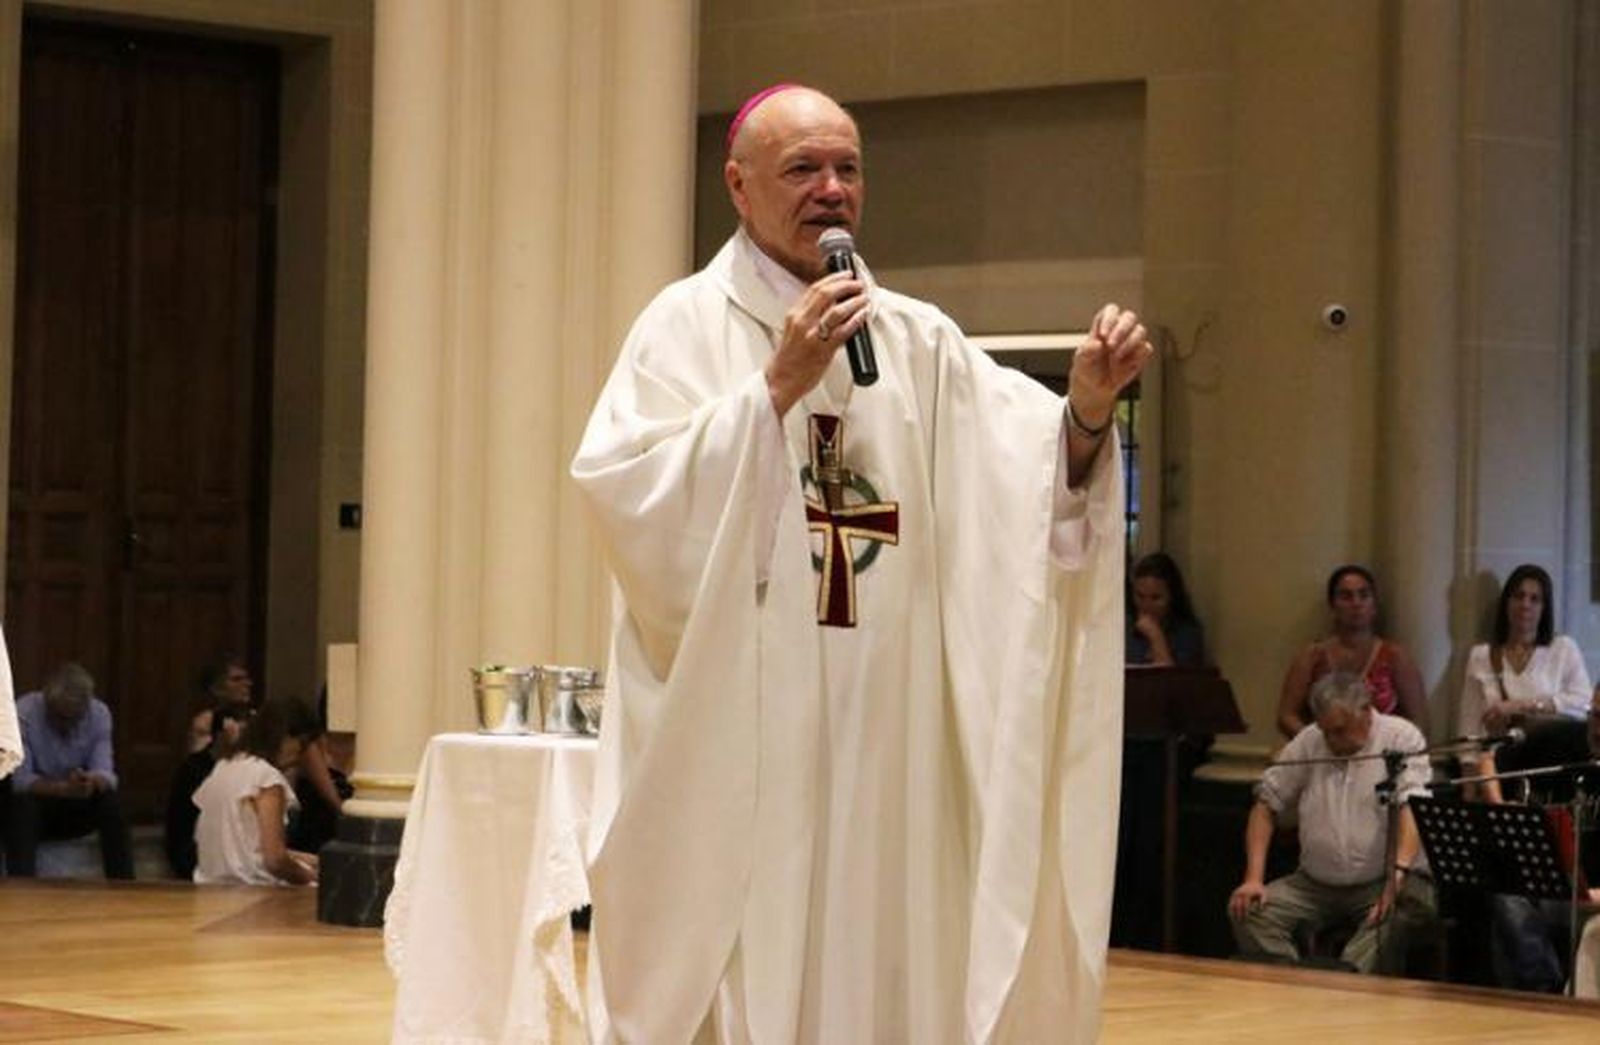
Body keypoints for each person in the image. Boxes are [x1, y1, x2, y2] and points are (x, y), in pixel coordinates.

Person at [570, 83, 1150, 1043]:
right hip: (752, 731)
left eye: (848, 168)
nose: (832, 189)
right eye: (803, 168)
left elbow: (1026, 486)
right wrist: (773, 390)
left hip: (893, 737)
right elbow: (627, 494)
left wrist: (1085, 413)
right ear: (738, 186)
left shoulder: (917, 340)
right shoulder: (682, 328)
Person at [1229, 673, 1435, 973]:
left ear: (1366, 711)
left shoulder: (1400, 737)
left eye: (1339, 731)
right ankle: (1291, 985)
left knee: (1394, 917)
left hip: (1381, 880)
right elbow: (1265, 804)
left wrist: (1398, 876)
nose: (1331, 741)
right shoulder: (1310, 740)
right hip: (1314, 884)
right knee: (1248, 912)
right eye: (1325, 732)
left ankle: (1344, 985)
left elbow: (1411, 808)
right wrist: (1253, 878)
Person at [1457, 564, 1591, 804]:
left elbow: (1583, 704)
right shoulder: (1481, 656)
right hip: (1496, 774)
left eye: (1534, 599)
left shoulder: (1563, 649)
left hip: (1549, 772)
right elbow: (1469, 731)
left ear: (1544, 607)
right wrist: (1469, 791)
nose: (1525, 604)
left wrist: (1521, 706)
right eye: (1518, 596)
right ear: (1507, 602)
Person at [3, 662, 134, 879]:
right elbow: (20, 780)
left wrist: (90, 781)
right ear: (47, 702)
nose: (66, 725)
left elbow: (106, 773)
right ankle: (21, 883)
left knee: (112, 803)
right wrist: (63, 788)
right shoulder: (25, 712)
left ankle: (124, 883)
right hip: (38, 803)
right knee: (21, 806)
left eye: (74, 719)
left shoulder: (99, 714)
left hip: (77, 800)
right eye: (59, 717)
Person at [1276, 564, 1426, 739]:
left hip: (1381, 751)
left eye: (1364, 595)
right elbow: (1286, 716)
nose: (1356, 603)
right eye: (1346, 596)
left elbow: (1418, 721)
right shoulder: (1312, 656)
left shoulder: (1395, 657)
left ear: (1374, 605)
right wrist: (1319, 743)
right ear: (1333, 606)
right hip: (1324, 751)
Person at [192, 695, 321, 886]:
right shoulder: (266, 778)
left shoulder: (223, 767)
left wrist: (303, 858)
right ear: (285, 737)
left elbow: (243, 844)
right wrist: (312, 877)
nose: (299, 756)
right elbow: (275, 860)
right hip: (253, 891)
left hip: (209, 887)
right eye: (301, 745)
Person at [1126, 551, 1205, 667]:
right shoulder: (1125, 627)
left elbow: (1173, 677)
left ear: (1172, 597)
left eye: (1155, 598)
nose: (1146, 605)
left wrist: (1156, 636)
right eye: (1140, 596)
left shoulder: (1187, 634)